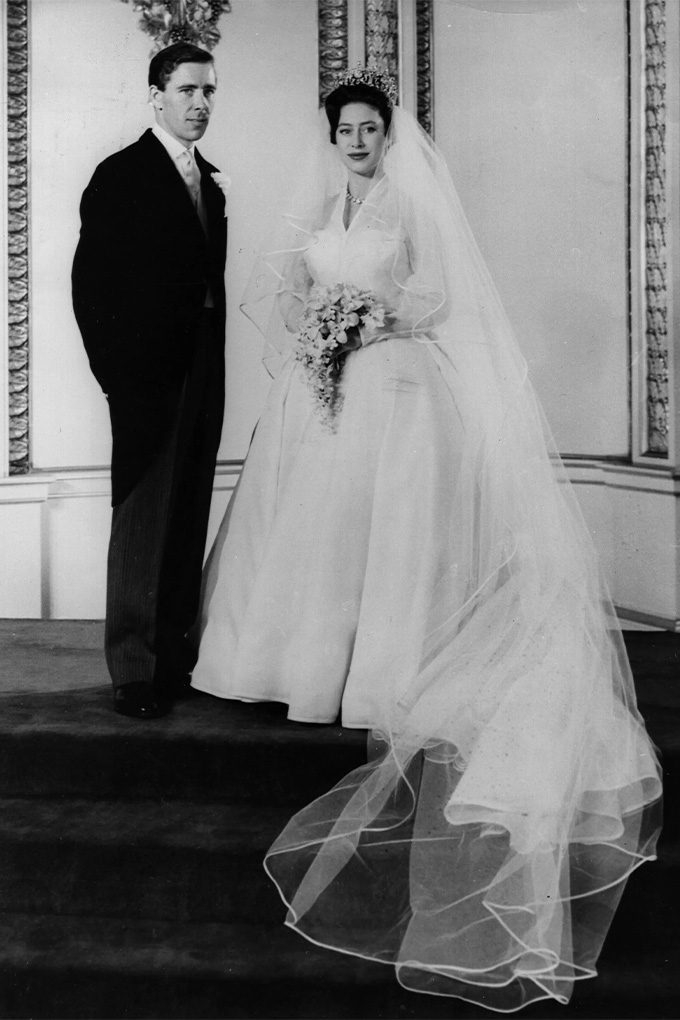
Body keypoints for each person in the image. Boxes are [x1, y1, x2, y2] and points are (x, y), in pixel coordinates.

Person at [192, 68, 661, 1011]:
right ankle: (299, 672)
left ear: (385, 134)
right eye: (348, 128)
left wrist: (369, 321)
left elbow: (440, 296)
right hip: (324, 392)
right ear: (332, 137)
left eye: (370, 127)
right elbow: (290, 292)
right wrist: (318, 324)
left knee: (386, 534)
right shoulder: (326, 203)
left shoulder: (409, 204)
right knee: (309, 539)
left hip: (395, 390)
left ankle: (375, 673)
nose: (359, 139)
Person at [72, 43, 228, 719]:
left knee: (188, 505)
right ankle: (132, 669)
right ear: (156, 96)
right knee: (142, 516)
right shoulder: (121, 174)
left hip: (202, 367)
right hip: (146, 378)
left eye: (210, 92)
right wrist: (120, 380)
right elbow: (90, 289)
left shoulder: (212, 184)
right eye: (188, 90)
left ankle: (171, 658)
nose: (201, 104)